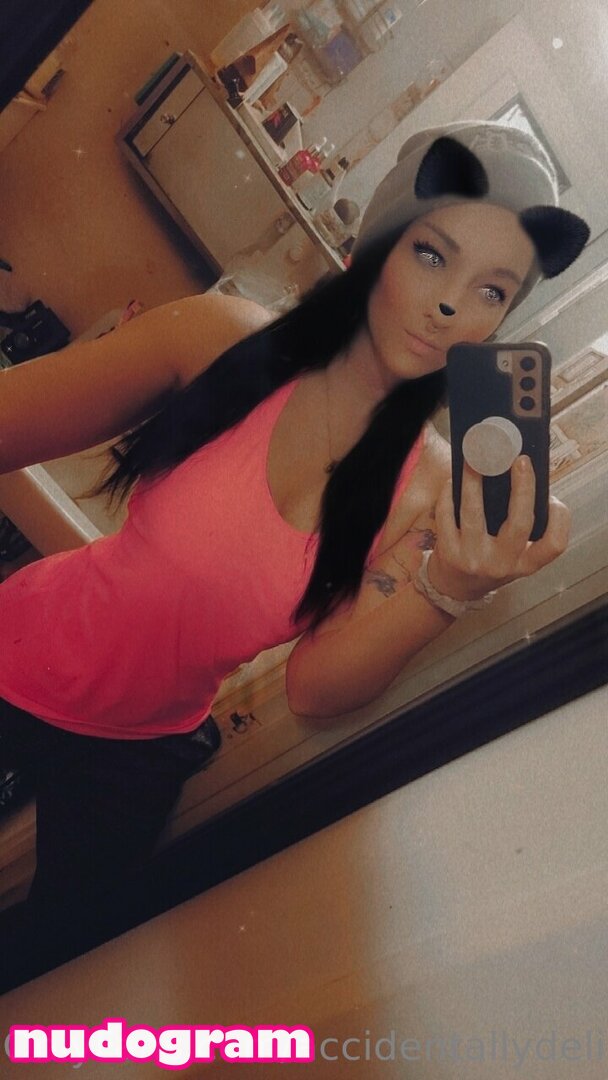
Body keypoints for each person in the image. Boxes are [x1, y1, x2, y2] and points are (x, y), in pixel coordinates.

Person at [0, 120, 590, 987]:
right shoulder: (223, 339)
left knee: (50, 970)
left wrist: (450, 587)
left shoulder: (428, 488)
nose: (450, 306)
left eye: (492, 290)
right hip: (22, 647)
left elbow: (313, 690)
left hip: (134, 756)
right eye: (432, 254)